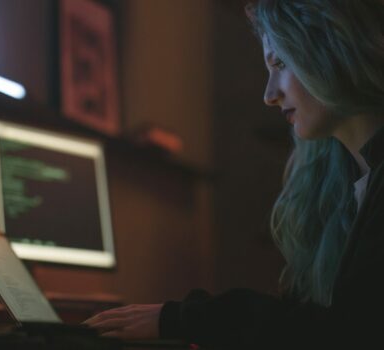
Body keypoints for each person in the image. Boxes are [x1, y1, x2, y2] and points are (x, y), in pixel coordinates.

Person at [83, 0, 384, 349]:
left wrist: (191, 319)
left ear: (335, 48)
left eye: (281, 63)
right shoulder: (343, 183)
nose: (270, 95)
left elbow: (350, 333)